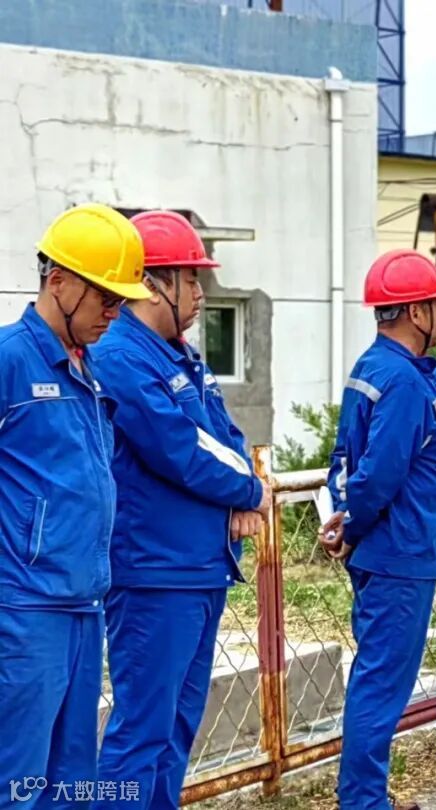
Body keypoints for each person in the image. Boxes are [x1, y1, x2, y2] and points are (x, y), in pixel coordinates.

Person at [93, 211, 270, 809]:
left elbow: (226, 434)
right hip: (154, 573)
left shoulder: (179, 357)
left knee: (175, 730)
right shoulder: (123, 357)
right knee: (142, 733)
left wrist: (244, 485)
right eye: (191, 279)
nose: (200, 293)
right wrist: (249, 491)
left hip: (197, 568)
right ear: (151, 283)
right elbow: (181, 447)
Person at [0, 203, 149, 801]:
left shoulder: (88, 371)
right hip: (23, 611)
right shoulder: (10, 360)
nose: (114, 313)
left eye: (121, 301)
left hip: (84, 604)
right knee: (18, 783)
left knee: (70, 784)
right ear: (57, 281)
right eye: (105, 297)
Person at [321, 250, 436, 810]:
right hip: (400, 551)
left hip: (387, 549)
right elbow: (379, 474)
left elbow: (344, 459)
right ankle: (362, 800)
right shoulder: (403, 381)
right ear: (417, 312)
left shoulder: (372, 367)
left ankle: (366, 793)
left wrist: (344, 518)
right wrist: (353, 525)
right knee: (382, 684)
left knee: (378, 679)